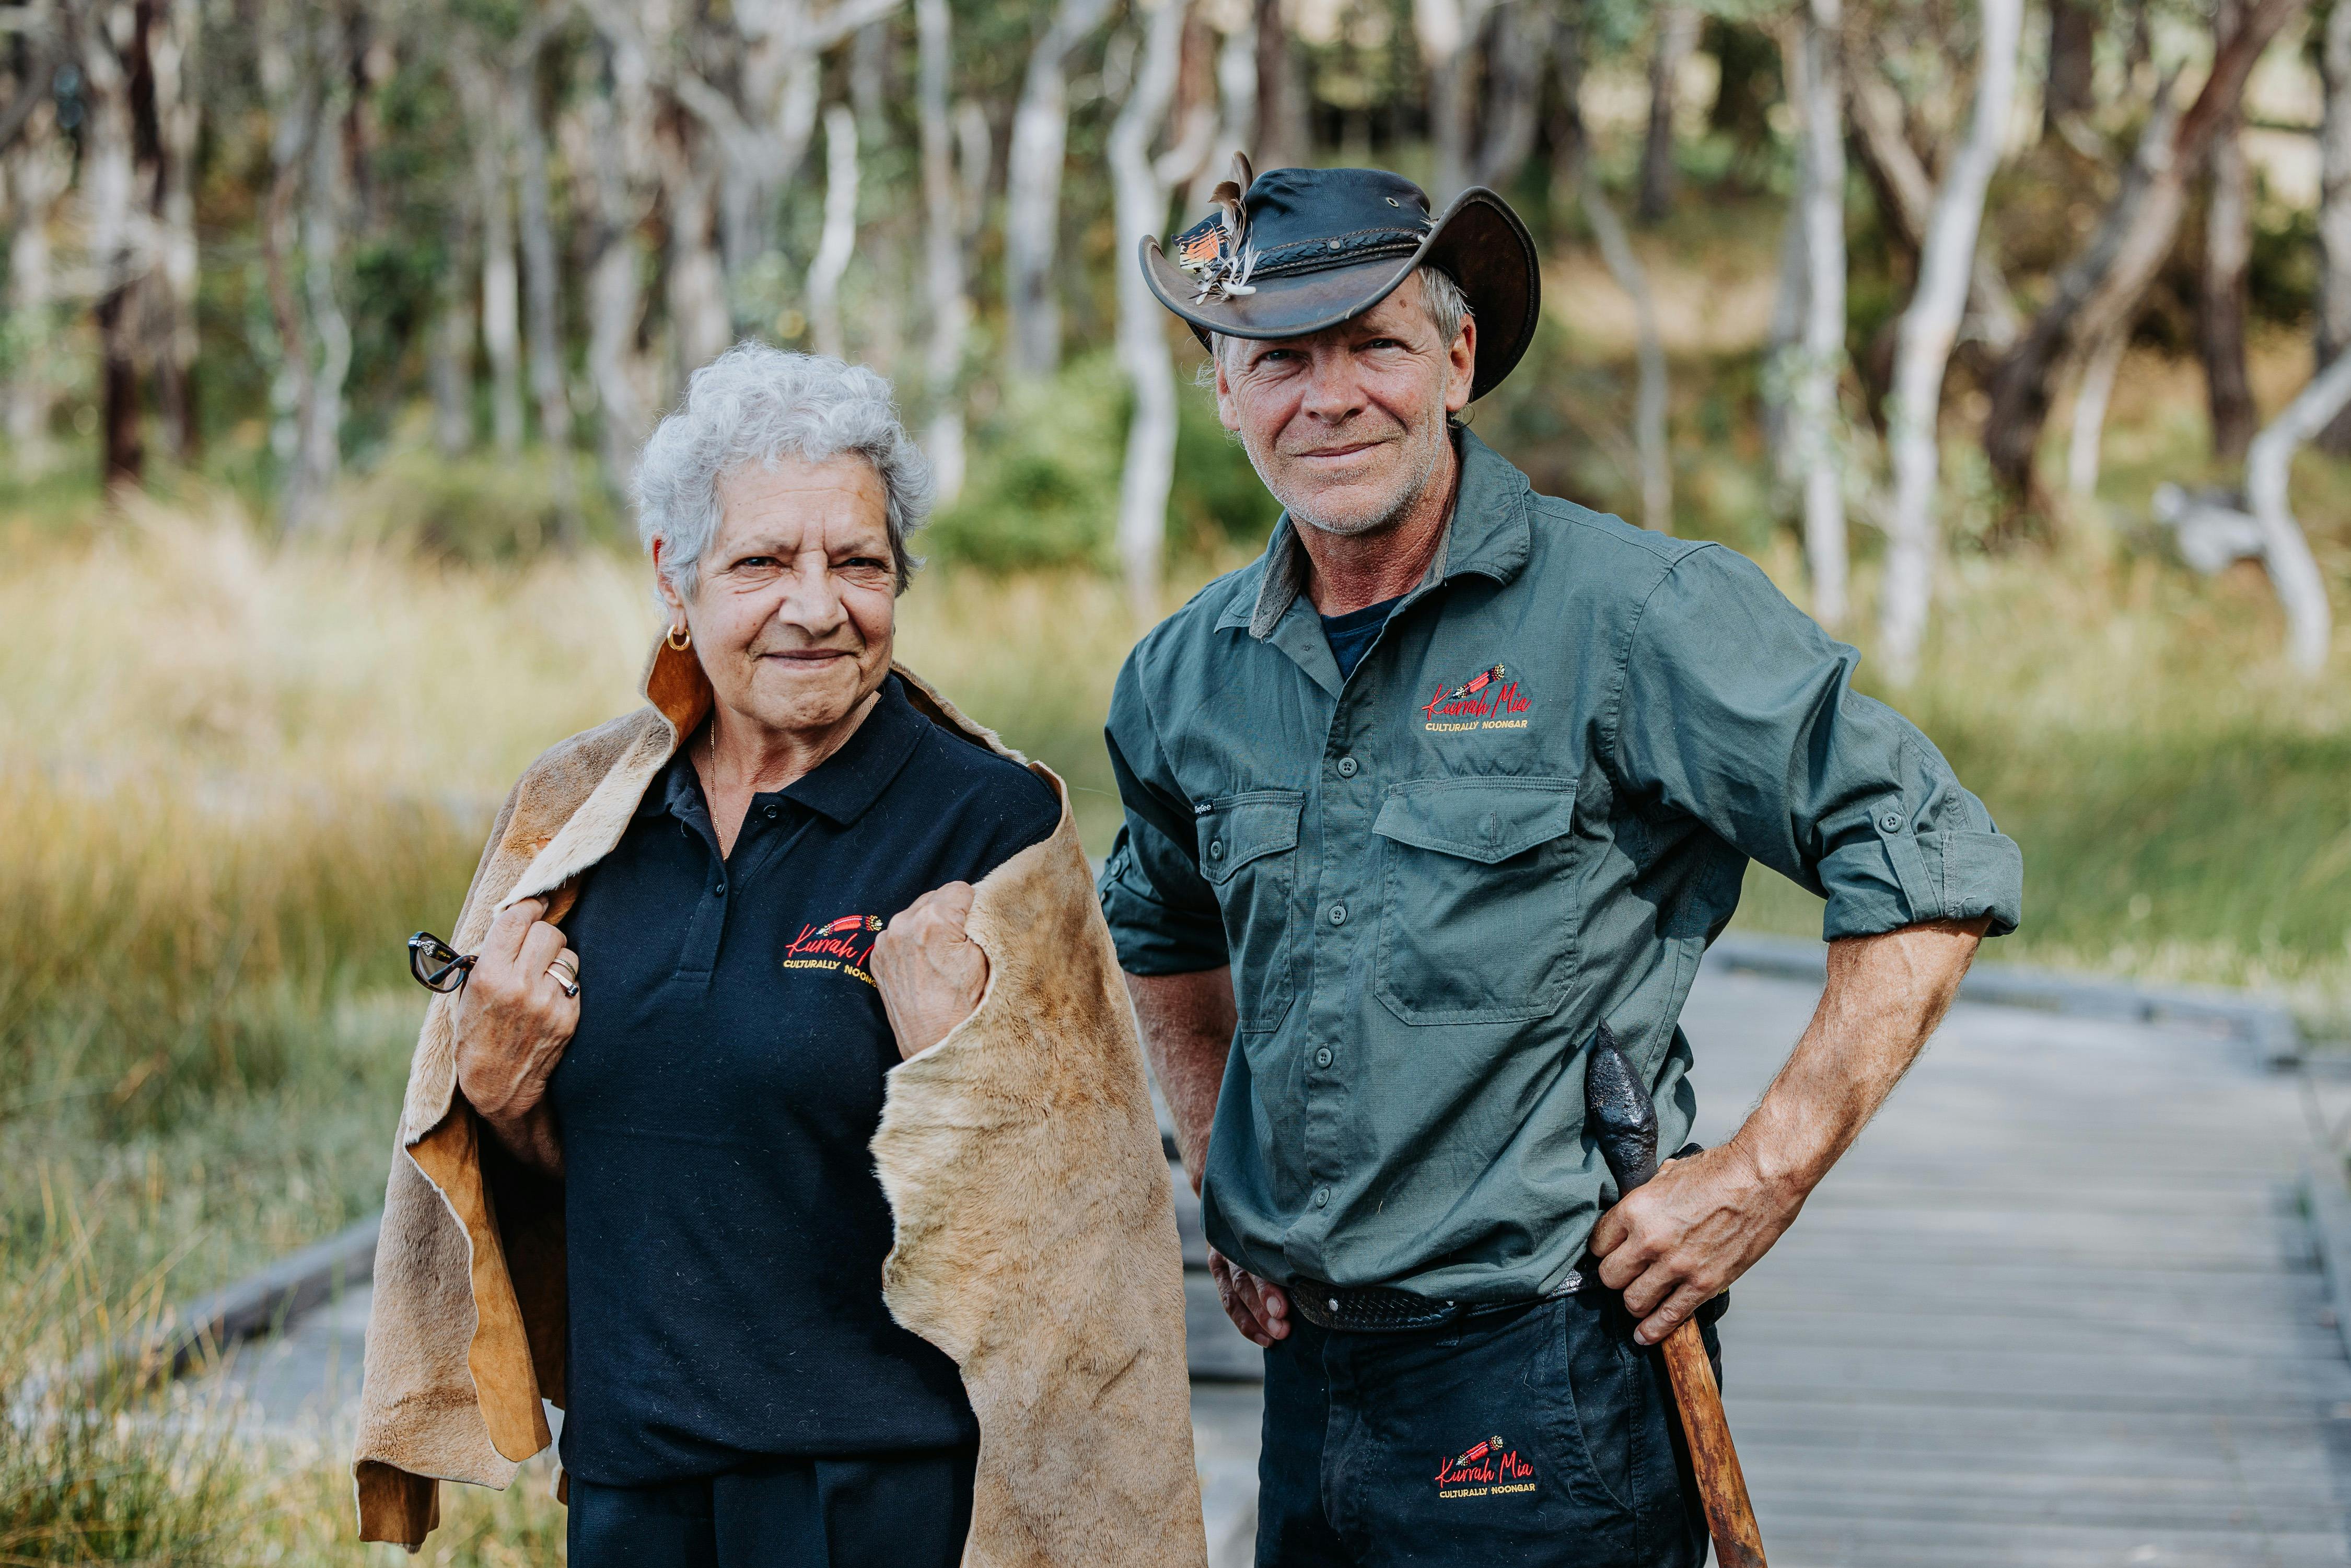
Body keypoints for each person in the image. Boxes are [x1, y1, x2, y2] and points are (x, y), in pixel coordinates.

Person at [1101, 161, 2024, 1566]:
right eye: (1279, 359)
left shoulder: (1631, 616)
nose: (1329, 397)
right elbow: (1157, 921)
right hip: (1307, 1387)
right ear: (1222, 389)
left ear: (1457, 358)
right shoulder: (1186, 674)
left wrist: (1759, 1177)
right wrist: (1226, 1161)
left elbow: (1927, 855)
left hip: (1549, 1375)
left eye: (1376, 346)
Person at [361, 345, 1073, 1567]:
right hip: (635, 1483)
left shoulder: (994, 827)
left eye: (859, 562)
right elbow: (591, 1162)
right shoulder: (581, 814)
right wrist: (489, 1084)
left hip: (884, 1490)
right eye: (760, 562)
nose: (815, 604)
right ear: (673, 578)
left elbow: (1071, 1224)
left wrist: (959, 1066)